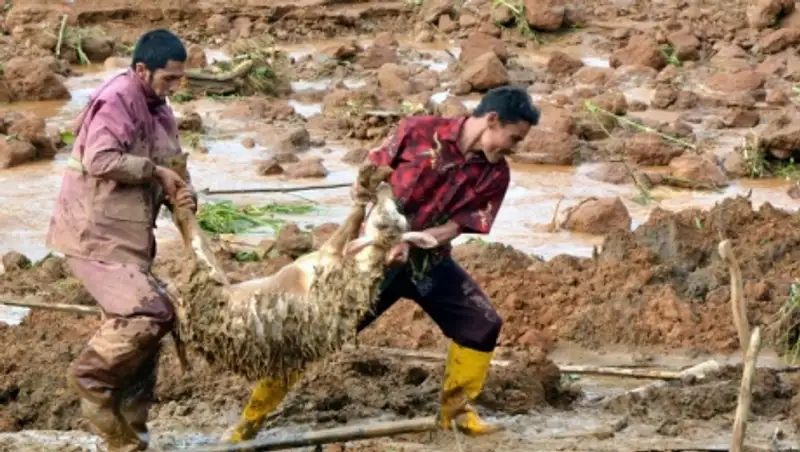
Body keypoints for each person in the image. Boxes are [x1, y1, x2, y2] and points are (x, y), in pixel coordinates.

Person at [223, 85, 540, 442]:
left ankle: (457, 412)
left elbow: (460, 223)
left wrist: (423, 238)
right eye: (513, 138)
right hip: (371, 263)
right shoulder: (418, 131)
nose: (513, 148)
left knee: (482, 324)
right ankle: (249, 421)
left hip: (427, 263)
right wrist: (381, 228)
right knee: (316, 334)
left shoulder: (496, 174)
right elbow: (371, 179)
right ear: (492, 120)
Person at [46, 29, 196, 452]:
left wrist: (184, 192)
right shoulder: (117, 100)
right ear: (141, 69)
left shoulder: (160, 109)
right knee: (150, 313)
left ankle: (130, 437)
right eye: (169, 79)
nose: (174, 88)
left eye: (180, 79)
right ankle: (91, 378)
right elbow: (100, 158)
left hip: (130, 236)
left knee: (145, 341)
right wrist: (157, 174)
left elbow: (174, 166)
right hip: (94, 233)